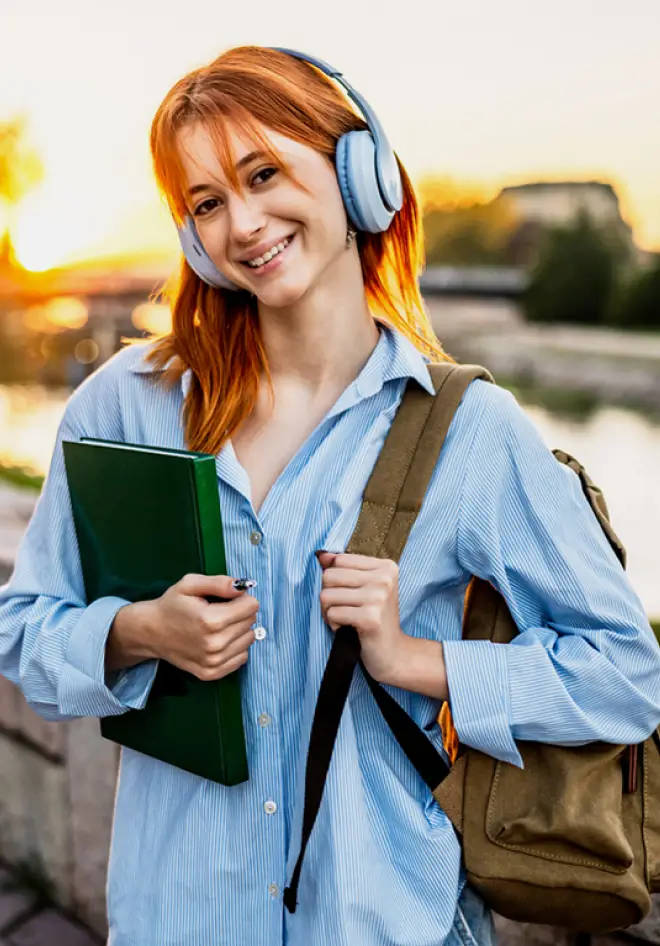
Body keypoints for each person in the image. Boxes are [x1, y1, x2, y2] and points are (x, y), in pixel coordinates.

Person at [1, 45, 660, 946]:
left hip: (382, 922)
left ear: (360, 171)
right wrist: (138, 632)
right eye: (206, 203)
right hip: (175, 917)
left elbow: (628, 673)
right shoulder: (126, 405)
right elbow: (22, 626)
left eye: (263, 173)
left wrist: (419, 659)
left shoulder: (468, 429)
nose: (242, 223)